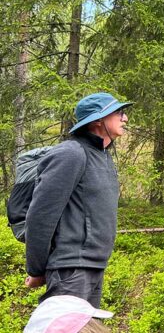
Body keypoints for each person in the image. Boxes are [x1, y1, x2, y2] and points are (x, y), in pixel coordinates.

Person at [25, 92, 132, 308]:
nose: (125, 118)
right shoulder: (71, 154)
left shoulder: (102, 156)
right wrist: (36, 269)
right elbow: (40, 216)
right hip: (71, 271)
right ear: (98, 120)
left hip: (93, 268)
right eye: (119, 113)